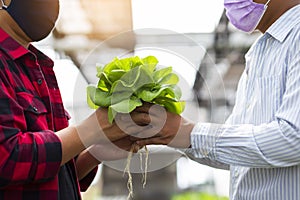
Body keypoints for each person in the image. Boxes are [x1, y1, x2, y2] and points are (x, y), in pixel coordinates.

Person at [130, 0, 300, 199]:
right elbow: (238, 157)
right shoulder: (261, 50)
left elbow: (294, 137)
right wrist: (173, 135)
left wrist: (188, 132)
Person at [0, 0, 142, 199]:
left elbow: (55, 171)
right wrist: (91, 128)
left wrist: (97, 151)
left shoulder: (36, 65)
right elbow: (7, 158)